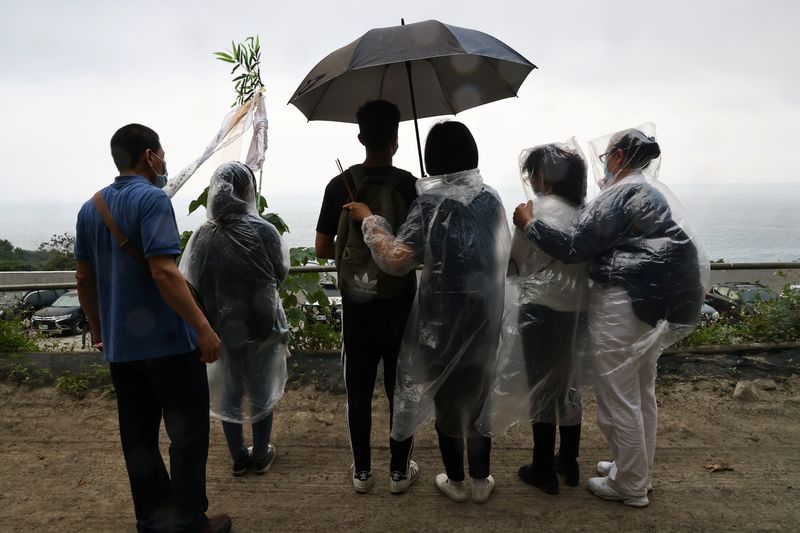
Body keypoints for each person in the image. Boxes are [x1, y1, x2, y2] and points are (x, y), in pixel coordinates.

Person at [513, 126, 709, 507]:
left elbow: (572, 247)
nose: (604, 165)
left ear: (619, 157)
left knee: (618, 397)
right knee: (640, 390)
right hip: (659, 306)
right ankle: (634, 469)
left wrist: (529, 224)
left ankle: (630, 485)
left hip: (626, 303)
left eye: (606, 157)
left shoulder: (620, 192)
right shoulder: (649, 191)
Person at [74, 124, 231, 532]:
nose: (164, 161)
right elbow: (164, 272)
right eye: (162, 153)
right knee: (187, 438)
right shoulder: (153, 201)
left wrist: (97, 329)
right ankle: (191, 520)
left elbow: (83, 280)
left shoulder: (90, 209)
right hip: (170, 347)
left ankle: (153, 521)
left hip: (123, 351)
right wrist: (203, 329)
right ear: (149, 156)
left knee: (139, 440)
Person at [346, 120, 511, 504]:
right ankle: (482, 480)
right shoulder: (492, 198)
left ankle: (456, 482)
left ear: (432, 158)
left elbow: (394, 260)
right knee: (479, 395)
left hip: (442, 321)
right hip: (485, 317)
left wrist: (370, 220)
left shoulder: (428, 204)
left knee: (448, 399)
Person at [314, 99, 418, 494]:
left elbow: (324, 249)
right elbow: (417, 246)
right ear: (396, 139)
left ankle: (361, 472)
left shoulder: (340, 186)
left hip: (357, 303)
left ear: (360, 137)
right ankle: (398, 472)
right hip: (399, 302)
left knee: (358, 386)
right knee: (400, 386)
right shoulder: (410, 185)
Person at [479, 141, 589, 495]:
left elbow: (513, 265)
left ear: (542, 177)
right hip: (578, 310)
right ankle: (568, 462)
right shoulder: (584, 213)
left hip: (540, 310)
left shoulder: (532, 214)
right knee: (568, 384)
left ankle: (542, 466)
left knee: (542, 386)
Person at [180, 161, 290, 478]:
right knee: (260, 391)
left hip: (219, 329)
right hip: (262, 324)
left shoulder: (202, 235)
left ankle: (238, 457)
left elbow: (192, 281)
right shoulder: (265, 231)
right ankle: (259, 454)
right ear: (248, 192)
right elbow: (278, 274)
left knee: (228, 391)